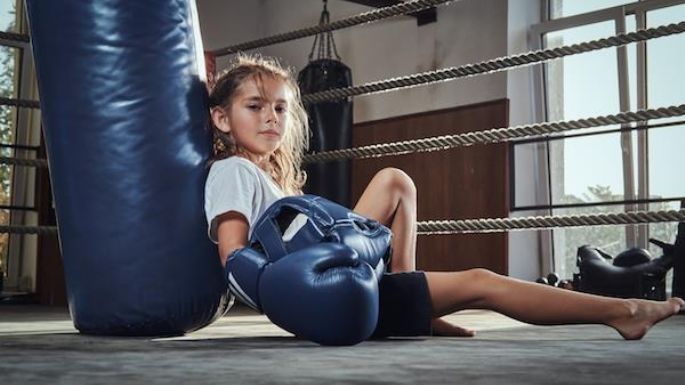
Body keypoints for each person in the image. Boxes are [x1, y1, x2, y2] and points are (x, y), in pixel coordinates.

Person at [204, 54, 683, 341]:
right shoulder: (233, 171)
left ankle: (409, 299)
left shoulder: (275, 179)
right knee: (482, 282)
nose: (271, 118)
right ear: (222, 119)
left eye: (281, 108)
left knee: (396, 180)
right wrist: (292, 295)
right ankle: (623, 312)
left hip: (340, 279)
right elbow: (235, 259)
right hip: (321, 297)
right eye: (254, 106)